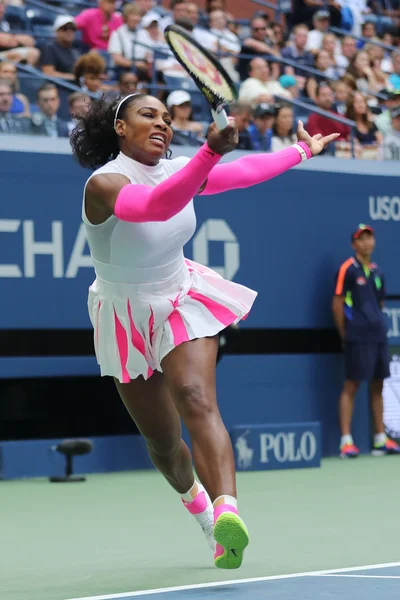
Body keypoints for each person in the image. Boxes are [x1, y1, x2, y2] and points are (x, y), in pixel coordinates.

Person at [70, 92, 338, 569]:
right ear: (119, 127)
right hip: (122, 313)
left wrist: (301, 151)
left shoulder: (179, 169)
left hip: (179, 294)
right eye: (148, 115)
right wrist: (209, 152)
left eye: (168, 119)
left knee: (195, 396)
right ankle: (202, 514)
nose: (162, 124)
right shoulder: (103, 184)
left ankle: (228, 512)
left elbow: (241, 174)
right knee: (164, 443)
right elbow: (153, 207)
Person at [332, 224, 400, 459]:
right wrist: (345, 333)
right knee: (351, 385)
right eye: (362, 239)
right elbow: (338, 303)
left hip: (378, 335)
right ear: (354, 244)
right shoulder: (347, 269)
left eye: (370, 238)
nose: (367, 242)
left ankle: (380, 439)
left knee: (378, 385)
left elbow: (379, 304)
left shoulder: (378, 271)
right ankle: (346, 441)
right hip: (357, 336)